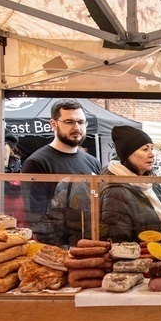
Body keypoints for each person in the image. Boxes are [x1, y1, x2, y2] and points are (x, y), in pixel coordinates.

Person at [21, 99, 101, 245]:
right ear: (53, 124)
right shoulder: (37, 163)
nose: (77, 127)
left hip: (91, 244)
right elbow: (35, 216)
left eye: (81, 122)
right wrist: (59, 249)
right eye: (69, 122)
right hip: (59, 249)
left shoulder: (93, 162)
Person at [100, 126, 161, 243]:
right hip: (143, 260)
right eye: (145, 149)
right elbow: (119, 243)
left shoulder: (152, 184)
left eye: (152, 148)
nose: (152, 154)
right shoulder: (116, 192)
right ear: (128, 154)